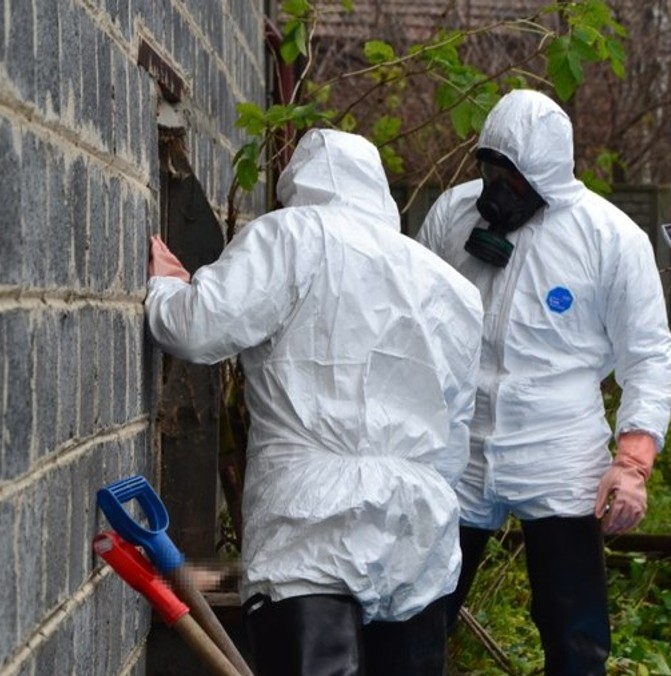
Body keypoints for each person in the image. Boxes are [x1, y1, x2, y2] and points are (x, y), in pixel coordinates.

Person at [145, 129, 484, 675]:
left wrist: (167, 289)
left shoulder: (294, 235)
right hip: (417, 527)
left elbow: (195, 331)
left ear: (298, 184)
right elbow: (457, 432)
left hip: (310, 519)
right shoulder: (451, 287)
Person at [418, 89, 671, 674]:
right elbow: (410, 317)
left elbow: (649, 355)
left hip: (558, 451)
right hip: (458, 448)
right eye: (491, 169)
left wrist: (633, 462)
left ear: (547, 178)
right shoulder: (453, 215)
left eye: (514, 177)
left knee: (573, 629)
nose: (497, 187)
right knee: (421, 609)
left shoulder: (608, 238)